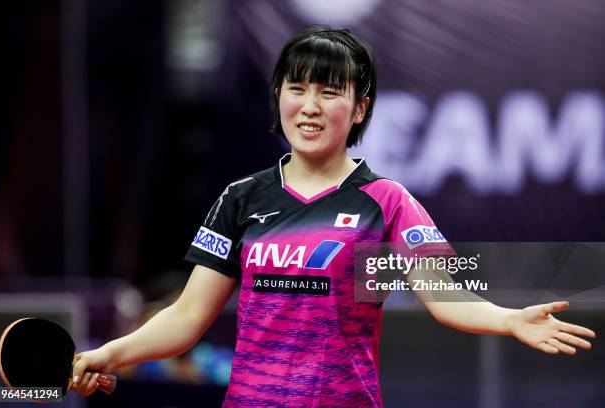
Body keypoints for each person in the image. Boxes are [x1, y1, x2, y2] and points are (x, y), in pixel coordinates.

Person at [72, 27, 596, 407]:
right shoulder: (241, 198)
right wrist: (110, 353)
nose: (310, 106)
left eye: (330, 92)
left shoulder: (387, 201)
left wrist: (508, 319)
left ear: (361, 107)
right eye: (297, 89)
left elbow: (444, 297)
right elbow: (187, 317)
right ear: (277, 95)